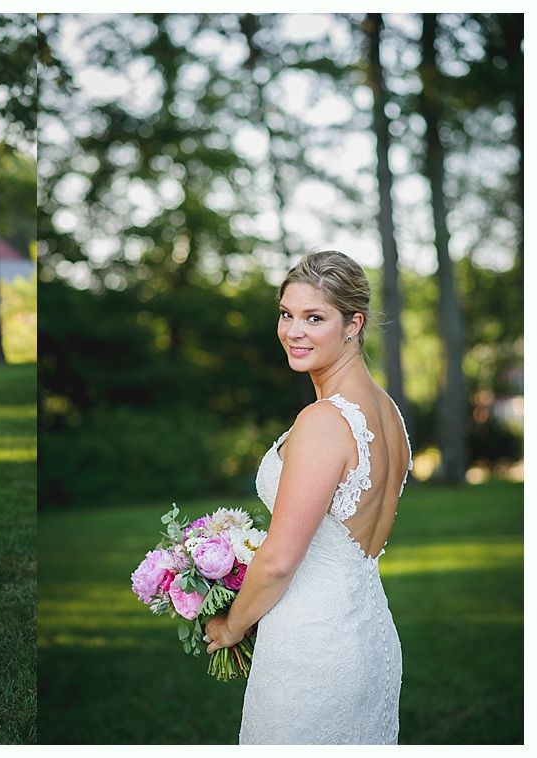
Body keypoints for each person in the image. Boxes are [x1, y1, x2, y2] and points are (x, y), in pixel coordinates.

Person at [204, 250, 412, 744]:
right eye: (286, 314)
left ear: (352, 325)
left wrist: (231, 626)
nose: (293, 331)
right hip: (369, 632)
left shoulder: (323, 421)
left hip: (312, 643)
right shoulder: (390, 414)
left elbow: (278, 561)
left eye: (314, 318)